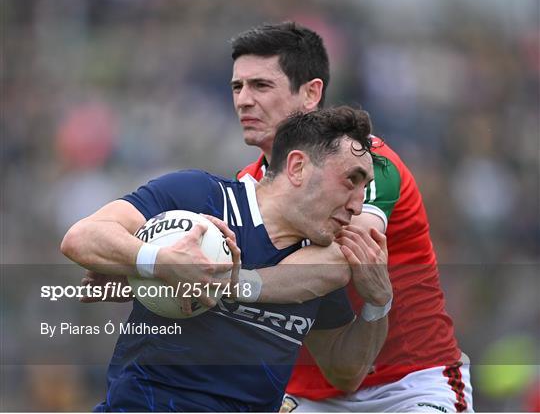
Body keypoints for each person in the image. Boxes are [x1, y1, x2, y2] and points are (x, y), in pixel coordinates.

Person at [61, 107, 392, 412]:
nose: (358, 206)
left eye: (365, 187)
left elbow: (343, 371)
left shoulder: (315, 267)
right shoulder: (201, 198)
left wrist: (378, 303)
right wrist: (159, 261)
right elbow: (83, 237)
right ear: (297, 167)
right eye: (352, 180)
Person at [230, 22, 473, 412]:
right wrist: (144, 268)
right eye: (237, 87)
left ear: (311, 93)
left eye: (261, 86)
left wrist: (227, 282)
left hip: (409, 385)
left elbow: (346, 258)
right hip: (305, 397)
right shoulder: (245, 184)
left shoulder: (370, 162)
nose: (243, 100)